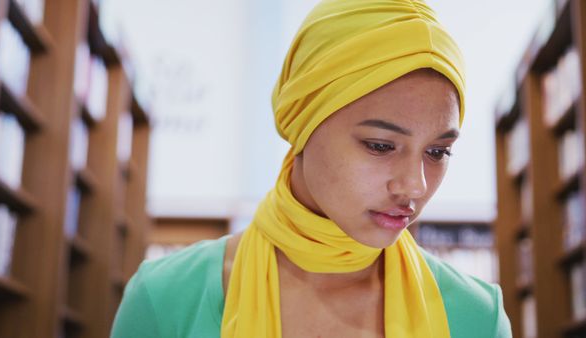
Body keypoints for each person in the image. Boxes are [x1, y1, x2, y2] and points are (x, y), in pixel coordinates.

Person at [111, 0, 513, 337]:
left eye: (438, 152)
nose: (414, 185)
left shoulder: (478, 318)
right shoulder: (164, 300)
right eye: (380, 145)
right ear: (303, 123)